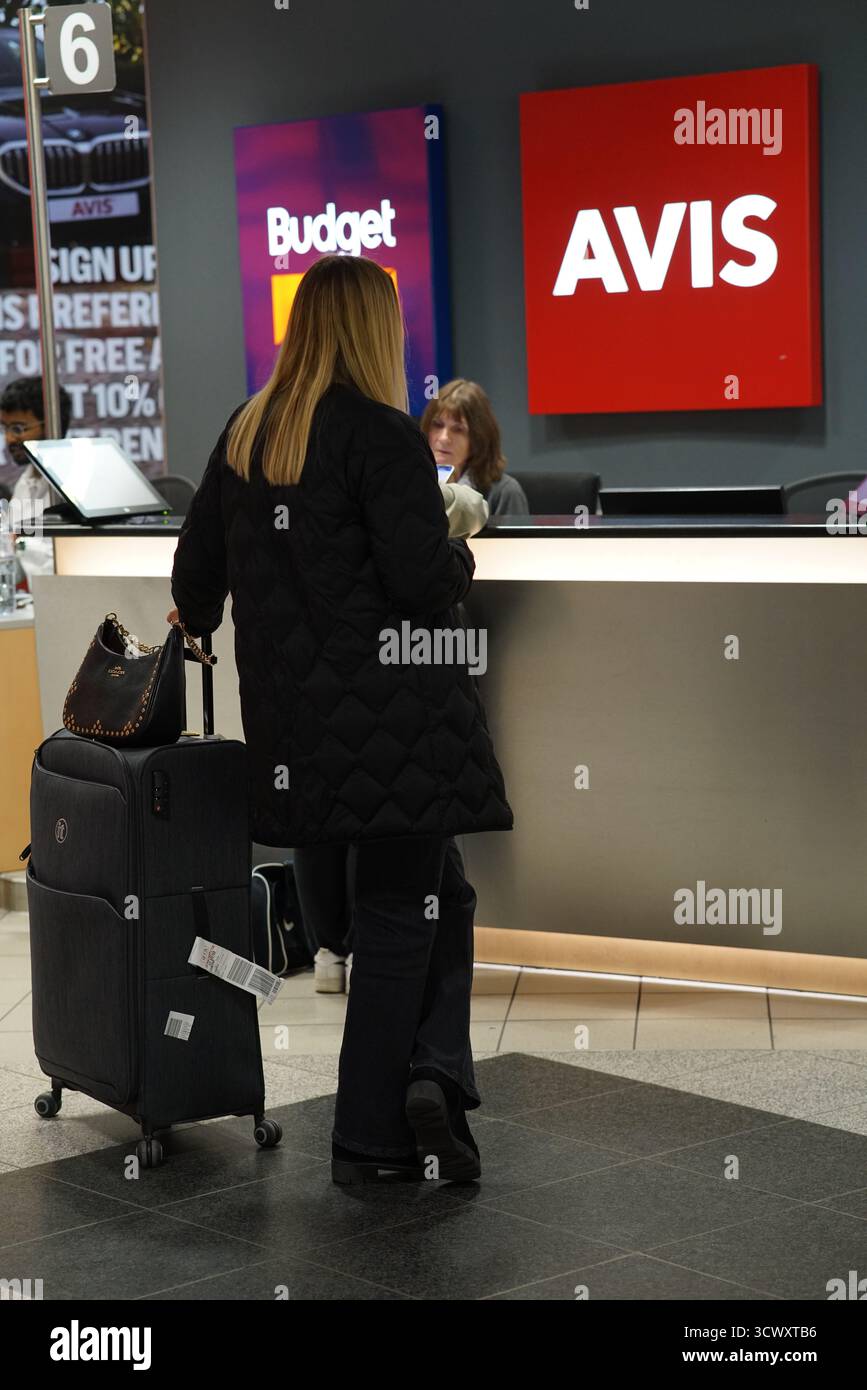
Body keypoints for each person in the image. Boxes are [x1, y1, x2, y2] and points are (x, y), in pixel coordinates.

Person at [169, 255, 513, 1185]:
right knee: (405, 913)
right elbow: (417, 580)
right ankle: (370, 1136)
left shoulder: (247, 434)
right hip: (400, 724)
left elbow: (193, 584)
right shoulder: (380, 435)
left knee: (440, 897)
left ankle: (436, 1074)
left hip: (296, 736)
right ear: (374, 329)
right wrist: (459, 550)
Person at [301, 476, 490, 997]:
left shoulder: (275, 450)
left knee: (323, 815)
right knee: (382, 812)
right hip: (392, 673)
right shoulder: (384, 453)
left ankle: (329, 949)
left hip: (310, 674)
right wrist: (458, 551)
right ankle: (369, 951)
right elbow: (443, 557)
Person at [420, 378, 529, 516]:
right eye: (437, 425)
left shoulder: (505, 493)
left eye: (458, 429)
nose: (443, 438)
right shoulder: (413, 485)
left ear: (478, 438)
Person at [0, 377, 72, 581]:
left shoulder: (76, 484)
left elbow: (59, 566)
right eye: (5, 428)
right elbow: (13, 552)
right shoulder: (28, 479)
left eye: (18, 429)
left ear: (50, 424)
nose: (9, 439)